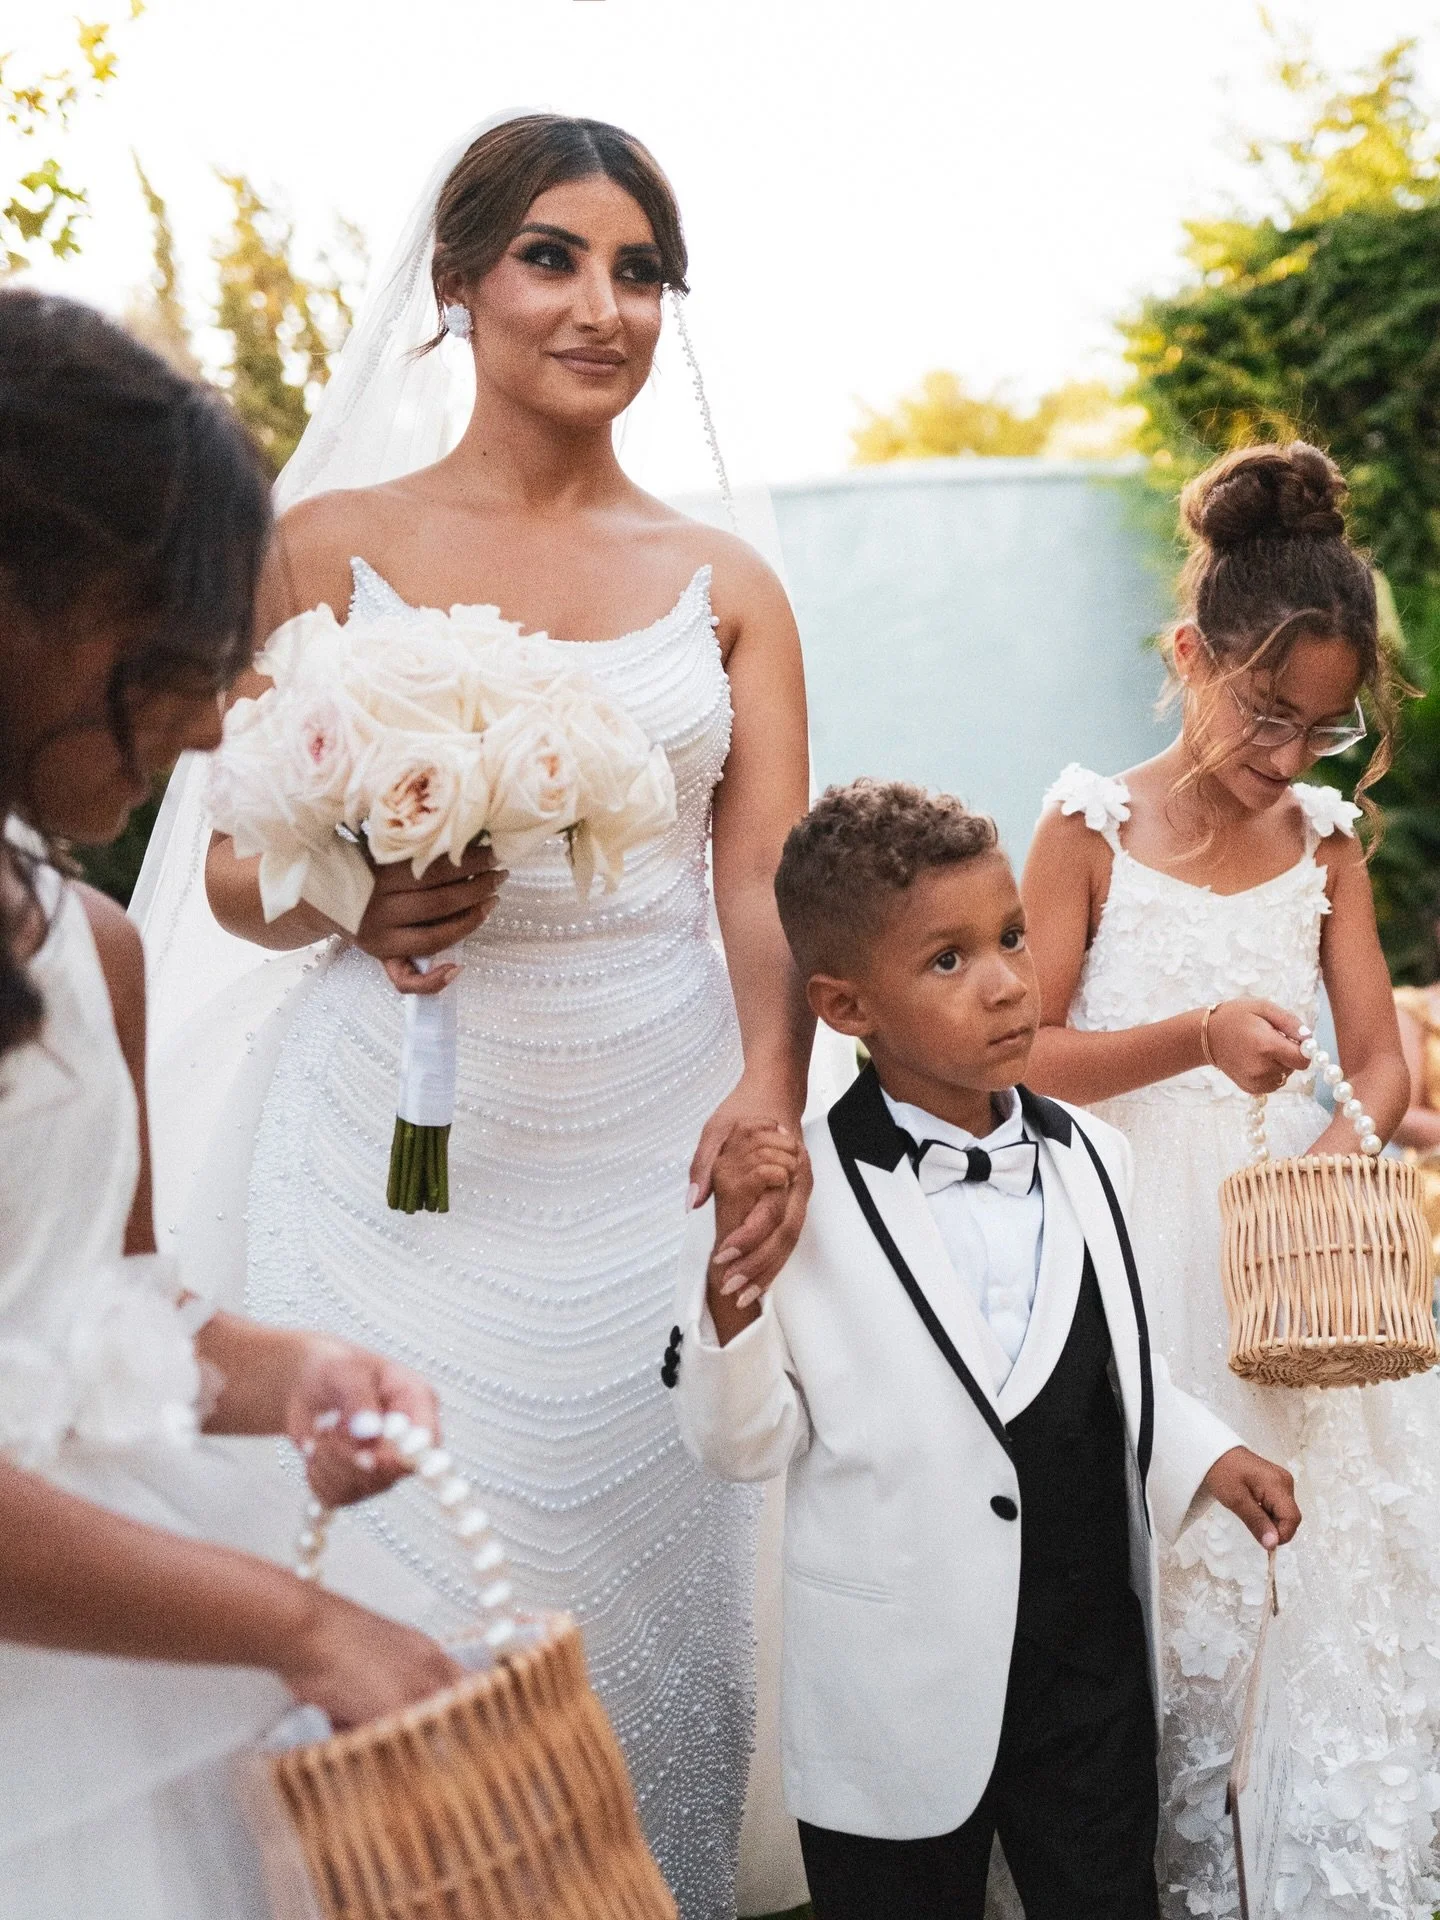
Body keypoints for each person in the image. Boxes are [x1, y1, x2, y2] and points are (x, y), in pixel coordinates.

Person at [163, 114, 813, 1917]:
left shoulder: (729, 587)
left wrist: (772, 1091)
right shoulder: (321, 548)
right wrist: (353, 896)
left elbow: (762, 881)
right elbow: (227, 872)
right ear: (454, 285)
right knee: (402, 1623)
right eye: (552, 257)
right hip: (388, 1177)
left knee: (647, 1660)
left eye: (639, 271)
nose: (602, 307)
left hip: (646, 1172)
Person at [0, 288, 461, 1918]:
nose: (213, 721)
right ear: (29, 601)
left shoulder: (95, 948)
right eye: (183, 655)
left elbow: (117, 1312)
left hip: (125, 1647)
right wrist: (300, 1624)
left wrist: (300, 1375)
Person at [666, 778, 1300, 1920]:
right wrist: (732, 1292)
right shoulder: (794, 1193)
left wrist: (1207, 1453)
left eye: (1010, 936)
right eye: (948, 960)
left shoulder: (1095, 1156)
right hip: (893, 1697)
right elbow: (742, 1446)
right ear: (845, 1006)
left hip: (1089, 1673)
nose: (1008, 980)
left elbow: (1111, 1366)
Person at [1022, 441, 1440, 1914]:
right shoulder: (1089, 829)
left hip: (1291, 1261)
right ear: (1190, 656)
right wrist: (1194, 1037)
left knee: (1329, 1579)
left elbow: (1380, 1065)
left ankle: (1326, 1856)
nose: (1288, 757)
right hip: (1136, 1252)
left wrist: (1332, 1162)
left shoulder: (1324, 844)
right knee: (1172, 1578)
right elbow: (1019, 1056)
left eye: (1324, 731)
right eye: (1269, 716)